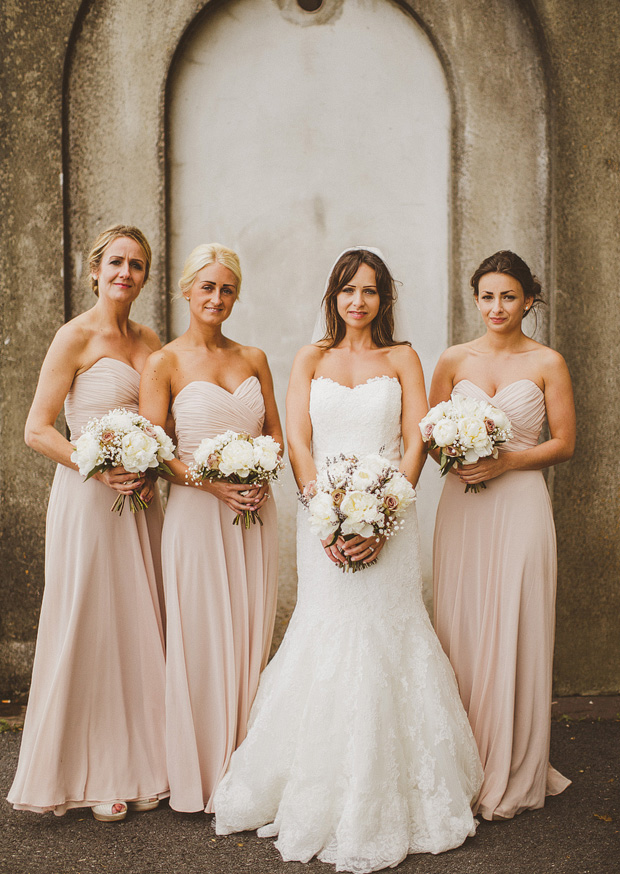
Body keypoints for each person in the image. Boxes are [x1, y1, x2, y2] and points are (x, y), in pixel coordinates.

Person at [214, 247, 482, 873]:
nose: (357, 301)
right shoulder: (311, 357)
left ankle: (401, 788)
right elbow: (300, 439)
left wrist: (388, 511)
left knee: (390, 632)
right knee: (327, 633)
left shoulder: (403, 357)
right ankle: (315, 780)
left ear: (384, 299)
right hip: (323, 515)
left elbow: (417, 435)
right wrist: (320, 509)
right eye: (347, 290)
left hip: (392, 513)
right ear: (332, 297)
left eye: (370, 291)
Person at [8, 225, 168, 822]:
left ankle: (138, 759)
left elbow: (159, 419)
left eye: (137, 265)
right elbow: (37, 429)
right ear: (95, 270)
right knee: (89, 621)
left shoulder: (150, 338)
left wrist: (150, 465)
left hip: (142, 499)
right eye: (116, 263)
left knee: (136, 622)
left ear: (145, 276)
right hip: (89, 496)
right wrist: (97, 467)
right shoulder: (73, 337)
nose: (125, 273)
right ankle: (87, 768)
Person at [429, 250, 576, 821]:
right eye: (487, 296)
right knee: (462, 623)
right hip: (463, 507)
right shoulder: (452, 359)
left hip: (519, 504)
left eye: (509, 296)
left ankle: (513, 764)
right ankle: (463, 761)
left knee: (516, 619)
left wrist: (504, 462)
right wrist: (458, 451)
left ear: (529, 301)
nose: (497, 307)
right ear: (475, 298)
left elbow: (563, 442)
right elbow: (430, 434)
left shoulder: (548, 362)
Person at [138, 243, 282, 814]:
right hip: (197, 516)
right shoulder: (164, 363)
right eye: (207, 288)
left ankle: (246, 768)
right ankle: (198, 772)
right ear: (187, 291)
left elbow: (273, 429)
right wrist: (211, 483)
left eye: (226, 289)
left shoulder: (255, 357)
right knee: (200, 636)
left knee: (249, 633)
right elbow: (154, 449)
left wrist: (261, 474)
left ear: (235, 294)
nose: (216, 298)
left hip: (254, 513)